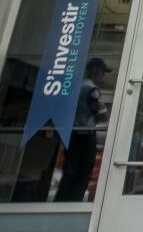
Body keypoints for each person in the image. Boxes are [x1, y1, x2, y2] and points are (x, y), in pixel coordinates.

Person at [54, 58, 110, 201]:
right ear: (96, 72)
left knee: (70, 172)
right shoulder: (91, 89)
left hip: (72, 133)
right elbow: (103, 115)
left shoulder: (74, 87)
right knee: (82, 173)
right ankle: (72, 203)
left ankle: (60, 202)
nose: (103, 77)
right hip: (85, 134)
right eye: (102, 73)